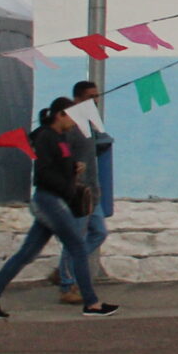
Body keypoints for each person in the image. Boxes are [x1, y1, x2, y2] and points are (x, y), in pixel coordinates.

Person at [0, 98, 119, 318]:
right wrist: (67, 185)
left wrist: (73, 168)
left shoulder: (60, 138)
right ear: (61, 114)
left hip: (55, 200)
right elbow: (43, 172)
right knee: (78, 248)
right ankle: (91, 303)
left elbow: (59, 164)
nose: (75, 123)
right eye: (72, 117)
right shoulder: (46, 136)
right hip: (49, 200)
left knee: (27, 253)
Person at [55, 79, 113, 305]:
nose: (95, 100)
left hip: (93, 191)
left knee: (99, 232)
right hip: (76, 191)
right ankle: (67, 285)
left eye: (97, 96)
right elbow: (60, 148)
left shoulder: (90, 122)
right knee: (75, 239)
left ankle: (65, 268)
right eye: (90, 97)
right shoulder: (69, 123)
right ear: (77, 99)